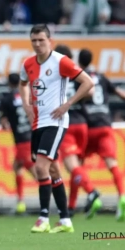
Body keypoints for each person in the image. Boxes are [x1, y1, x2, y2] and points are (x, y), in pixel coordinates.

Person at [19, 24, 93, 233]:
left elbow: (87, 82)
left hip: (56, 122)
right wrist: (26, 105)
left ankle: (43, 218)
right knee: (53, 169)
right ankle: (65, 220)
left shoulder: (60, 61)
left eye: (41, 40)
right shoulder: (27, 64)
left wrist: (67, 104)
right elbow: (23, 84)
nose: (37, 44)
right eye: (34, 40)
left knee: (41, 168)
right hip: (37, 123)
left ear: (49, 41)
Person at [54, 44, 101, 218]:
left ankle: (92, 191)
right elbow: (92, 90)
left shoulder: (56, 75)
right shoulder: (76, 72)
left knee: (71, 167)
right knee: (77, 168)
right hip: (83, 124)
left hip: (68, 125)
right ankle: (71, 207)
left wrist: (65, 102)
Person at [79, 48, 125, 221]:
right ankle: (122, 196)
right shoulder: (102, 76)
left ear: (79, 61)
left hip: (88, 126)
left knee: (77, 164)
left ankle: (87, 198)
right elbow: (119, 93)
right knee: (112, 164)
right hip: (105, 125)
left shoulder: (79, 76)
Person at [0, 73, 36, 214]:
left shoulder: (6, 99)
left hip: (22, 140)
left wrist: (7, 123)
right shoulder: (28, 94)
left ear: (9, 83)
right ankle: (20, 202)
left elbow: (3, 124)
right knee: (17, 166)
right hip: (33, 135)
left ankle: (55, 198)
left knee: (38, 174)